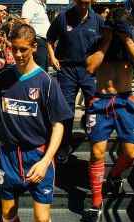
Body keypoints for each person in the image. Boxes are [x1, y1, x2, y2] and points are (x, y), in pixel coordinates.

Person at [0, 24, 73, 222]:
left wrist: (45, 161)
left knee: (42, 219)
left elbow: (58, 125)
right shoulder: (2, 76)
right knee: (7, 213)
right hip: (8, 155)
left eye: (23, 49)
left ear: (34, 47)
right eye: (14, 48)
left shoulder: (47, 82)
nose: (17, 54)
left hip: (38, 155)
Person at [84, 8, 134, 222]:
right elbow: (90, 67)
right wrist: (108, 39)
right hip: (100, 101)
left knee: (131, 154)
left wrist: (126, 39)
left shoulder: (133, 37)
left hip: (125, 100)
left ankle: (113, 175)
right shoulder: (98, 39)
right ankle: (96, 201)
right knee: (96, 152)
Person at [46, 0, 105, 163]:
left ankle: (94, 138)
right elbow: (49, 39)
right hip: (67, 70)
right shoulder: (63, 18)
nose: (83, 6)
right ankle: (64, 146)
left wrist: (99, 58)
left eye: (86, 3)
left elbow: (107, 41)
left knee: (93, 107)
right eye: (80, 3)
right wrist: (52, 57)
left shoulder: (98, 20)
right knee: (66, 109)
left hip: (89, 71)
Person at [21, 0, 51, 71]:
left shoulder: (42, 5)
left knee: (43, 68)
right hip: (37, 40)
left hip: (44, 41)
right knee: (39, 69)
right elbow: (25, 23)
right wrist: (32, 40)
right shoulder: (30, 3)